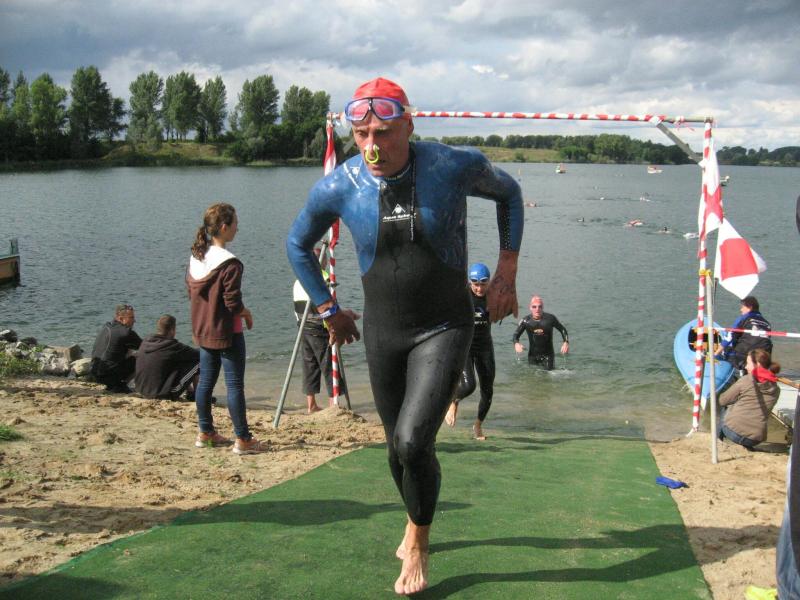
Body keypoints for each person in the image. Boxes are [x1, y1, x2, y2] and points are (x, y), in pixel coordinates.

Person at [286, 77, 523, 595]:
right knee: (397, 449)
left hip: (445, 325)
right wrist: (328, 308)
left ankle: (419, 539)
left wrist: (506, 271)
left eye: (384, 133)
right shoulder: (339, 185)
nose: (372, 146)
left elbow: (510, 194)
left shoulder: (451, 166)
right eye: (362, 135)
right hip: (384, 331)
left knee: (415, 442)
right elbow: (297, 244)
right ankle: (415, 514)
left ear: (409, 126)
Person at [187, 203, 262, 455]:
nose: (237, 228)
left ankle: (205, 432)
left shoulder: (197, 257)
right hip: (228, 332)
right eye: (235, 224)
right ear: (223, 227)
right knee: (234, 385)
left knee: (205, 382)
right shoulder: (230, 263)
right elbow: (232, 303)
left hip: (203, 328)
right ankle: (243, 439)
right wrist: (246, 313)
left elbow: (192, 293)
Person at [445, 263, 496, 441]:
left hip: (485, 346)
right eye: (475, 284)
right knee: (469, 386)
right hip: (466, 345)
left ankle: (478, 425)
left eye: (483, 284)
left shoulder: (493, 296)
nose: (479, 288)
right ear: (470, 282)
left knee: (488, 391)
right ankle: (453, 400)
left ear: (489, 282)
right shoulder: (462, 295)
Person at [293, 256, 349, 413]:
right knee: (329, 365)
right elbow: (327, 308)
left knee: (309, 365)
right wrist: (332, 330)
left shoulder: (299, 280)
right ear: (322, 262)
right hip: (319, 328)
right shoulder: (323, 278)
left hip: (303, 327)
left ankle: (311, 405)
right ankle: (333, 404)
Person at [717, 348, 780, 449]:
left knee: (726, 405)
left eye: (748, 363)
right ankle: (747, 446)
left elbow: (722, 401)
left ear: (757, 364)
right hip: (756, 439)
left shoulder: (746, 380)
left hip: (733, 433)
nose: (745, 367)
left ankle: (717, 440)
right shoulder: (776, 389)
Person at [134, 314, 200, 401]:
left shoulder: (146, 341)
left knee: (180, 360)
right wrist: (199, 342)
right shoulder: (172, 345)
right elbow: (199, 354)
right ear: (172, 330)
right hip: (162, 394)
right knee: (199, 362)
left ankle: (191, 391)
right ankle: (198, 396)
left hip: (141, 390)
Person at [90, 304, 142, 392]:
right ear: (121, 318)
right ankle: (121, 384)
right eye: (131, 318)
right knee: (141, 357)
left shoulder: (106, 327)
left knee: (123, 349)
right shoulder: (126, 332)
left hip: (94, 373)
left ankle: (119, 383)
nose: (134, 321)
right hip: (109, 378)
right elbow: (146, 347)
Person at [513, 295, 569, 370]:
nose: (537, 309)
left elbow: (562, 329)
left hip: (548, 356)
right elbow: (516, 335)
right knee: (532, 375)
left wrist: (566, 342)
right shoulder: (526, 321)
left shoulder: (550, 319)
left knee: (549, 375)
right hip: (532, 356)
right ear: (530, 307)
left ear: (543, 307)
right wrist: (516, 343)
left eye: (540, 307)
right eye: (534, 307)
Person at [721, 295, 772, 373]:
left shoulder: (743, 318)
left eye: (742, 307)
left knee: (725, 350)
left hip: (745, 354)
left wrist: (716, 352)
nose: (741, 309)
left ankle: (740, 368)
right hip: (763, 357)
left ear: (750, 307)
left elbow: (730, 337)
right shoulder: (767, 323)